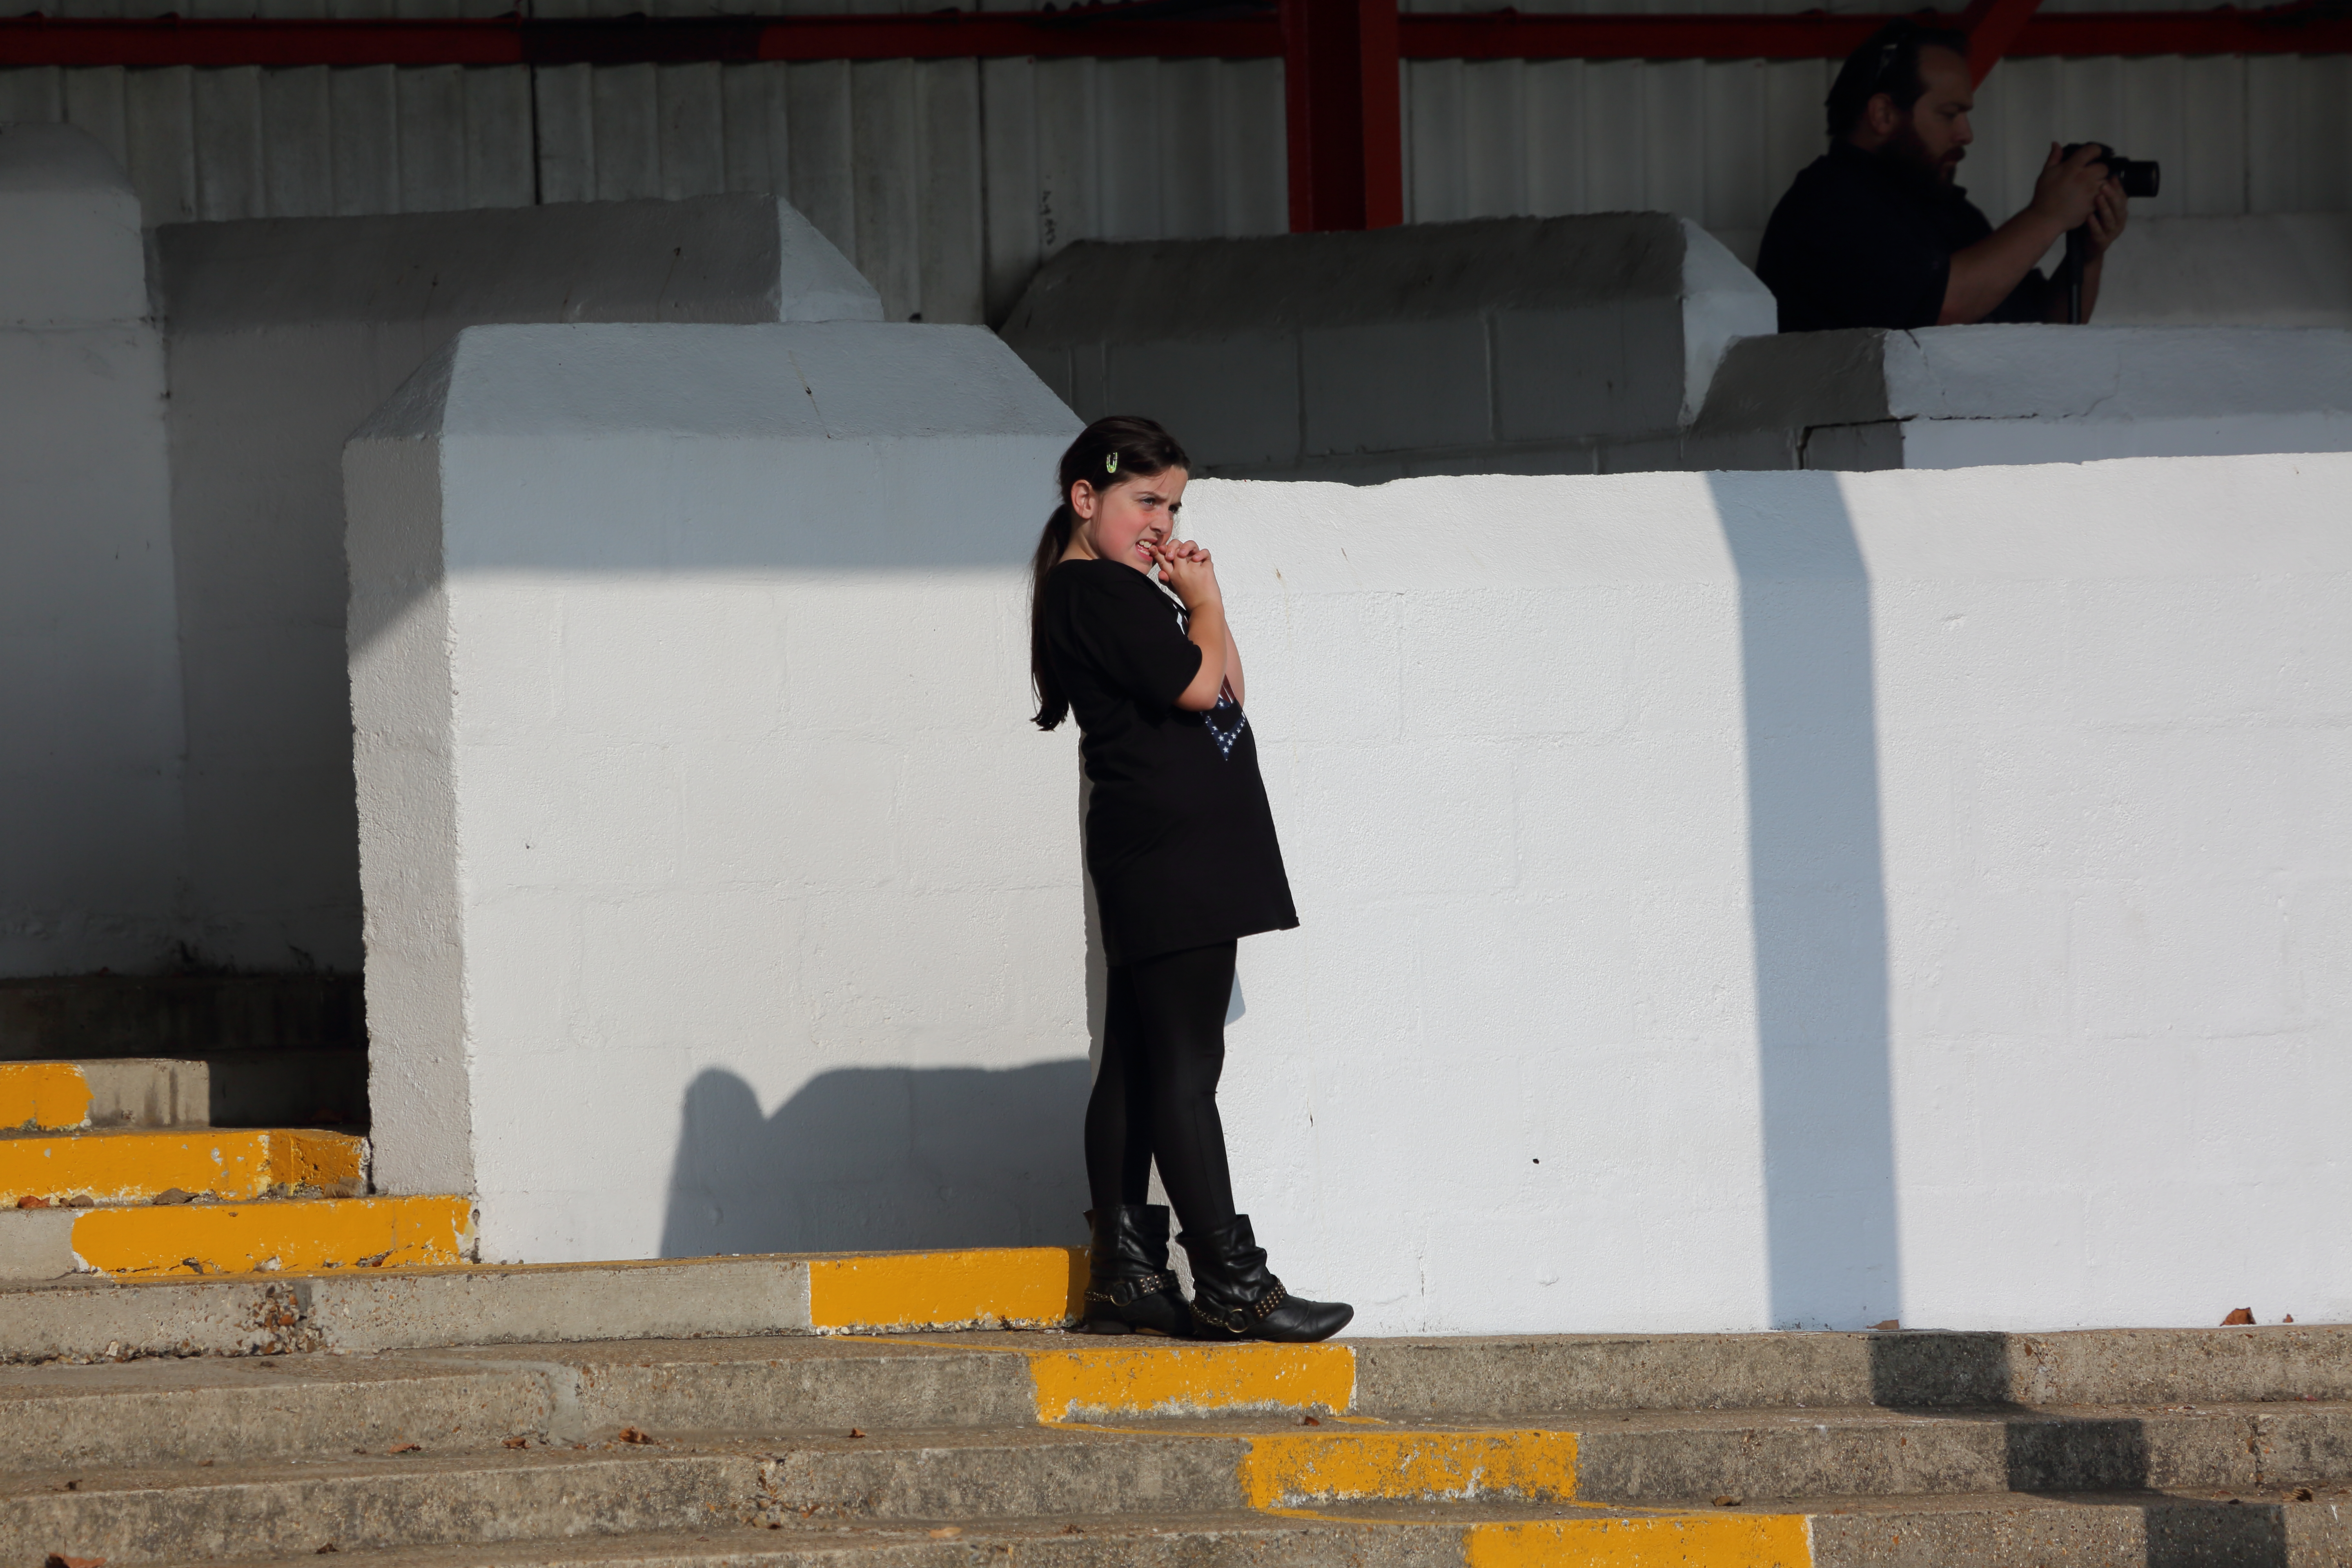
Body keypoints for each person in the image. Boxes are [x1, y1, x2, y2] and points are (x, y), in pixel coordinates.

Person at [1029, 414, 1352, 1344]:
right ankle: (1232, 1283)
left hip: (1172, 851)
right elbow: (1201, 691)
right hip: (1175, 855)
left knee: (1138, 1061)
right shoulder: (1097, 590)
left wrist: (1202, 604)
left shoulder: (1118, 592)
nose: (1162, 524)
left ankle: (1127, 1274)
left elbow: (1227, 687)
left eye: (1173, 506)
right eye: (1144, 501)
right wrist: (1202, 599)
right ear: (1084, 497)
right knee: (1183, 1068)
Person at [1755, 19, 2130, 332]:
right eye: (1949, 114)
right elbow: (1943, 305)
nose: (1966, 134)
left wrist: (2086, 254)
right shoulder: (1827, 204)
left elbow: (2047, 330)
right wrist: (2047, 216)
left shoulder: (1949, 211)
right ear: (1884, 114)